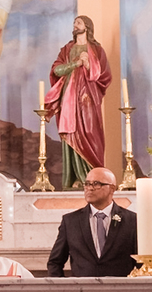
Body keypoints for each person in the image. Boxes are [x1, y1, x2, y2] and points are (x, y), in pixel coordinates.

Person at [44, 16, 111, 190]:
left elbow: (105, 76)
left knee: (90, 133)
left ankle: (93, 177)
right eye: (74, 23)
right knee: (71, 134)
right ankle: (74, 178)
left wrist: (89, 65)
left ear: (87, 27)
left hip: (89, 101)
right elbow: (57, 70)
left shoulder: (97, 50)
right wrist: (76, 63)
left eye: (78, 23)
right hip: (69, 100)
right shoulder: (67, 49)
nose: (75, 25)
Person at [45, 168, 137, 277]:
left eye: (96, 184)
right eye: (87, 184)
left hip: (120, 286)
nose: (90, 188)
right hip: (82, 287)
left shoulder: (132, 220)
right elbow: (55, 262)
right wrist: (63, 286)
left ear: (112, 189)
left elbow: (141, 260)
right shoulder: (70, 221)